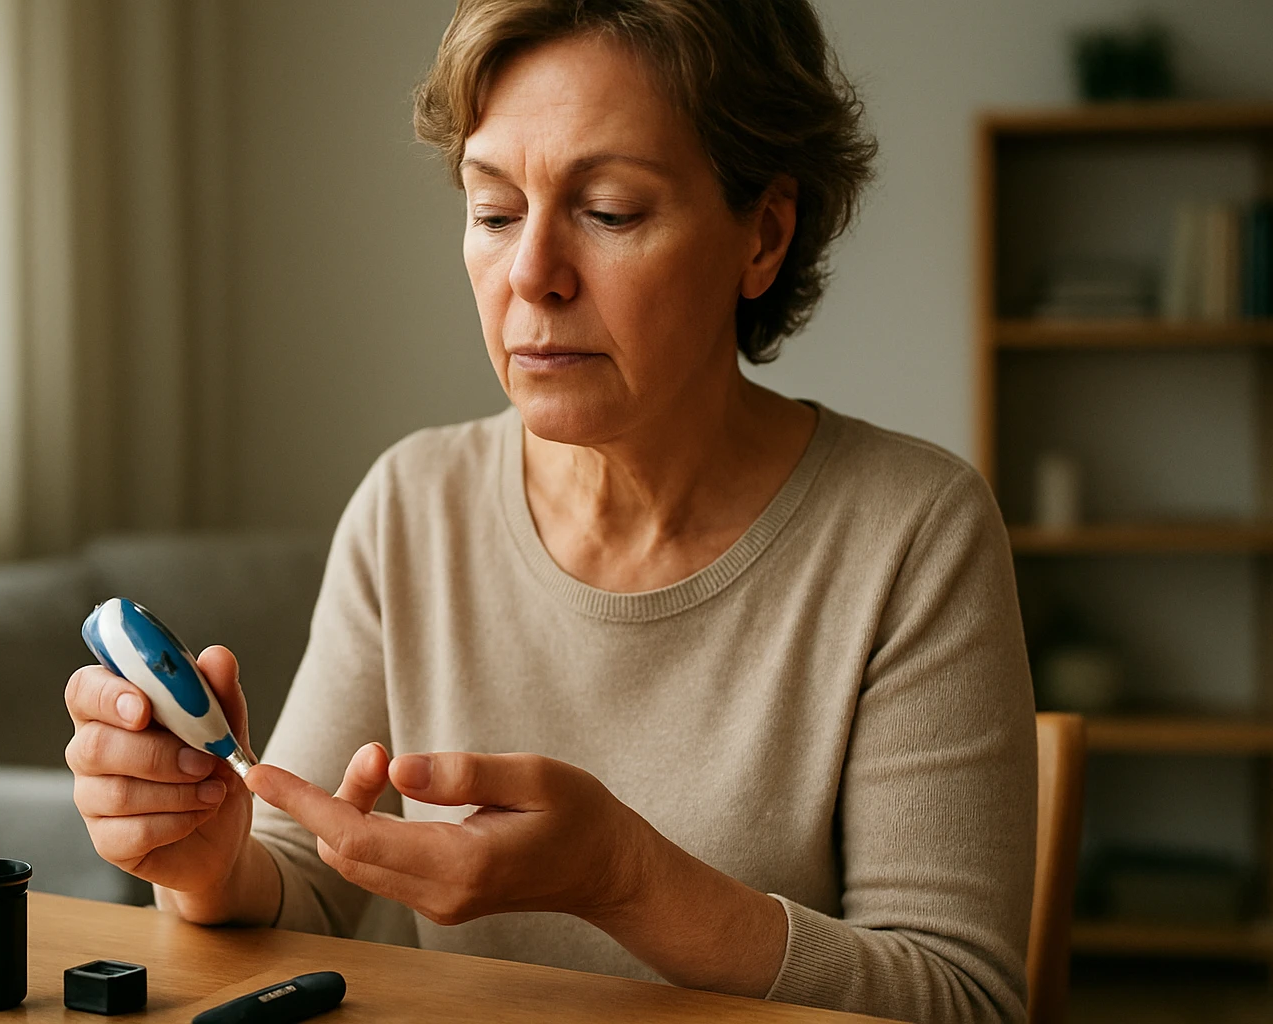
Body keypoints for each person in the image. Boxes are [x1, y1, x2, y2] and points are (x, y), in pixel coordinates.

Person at [63, 2, 1036, 1020]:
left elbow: (963, 1001)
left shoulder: (914, 532)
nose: (531, 275)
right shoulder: (412, 503)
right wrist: (209, 864)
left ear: (764, 234)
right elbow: (300, 888)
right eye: (493, 212)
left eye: (609, 210)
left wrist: (623, 877)